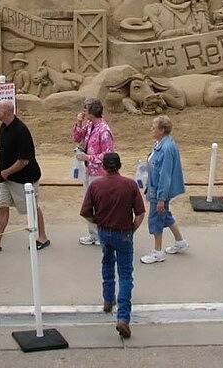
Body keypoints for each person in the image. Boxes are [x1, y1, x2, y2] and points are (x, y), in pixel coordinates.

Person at [80, 152, 145, 340]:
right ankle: (123, 318)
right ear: (120, 166)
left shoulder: (96, 185)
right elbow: (140, 214)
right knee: (125, 274)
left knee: (107, 264)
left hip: (104, 231)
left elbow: (85, 212)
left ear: (103, 167)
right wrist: (132, 230)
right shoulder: (130, 185)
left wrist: (98, 223)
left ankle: (108, 299)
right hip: (123, 233)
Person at [0, 101, 50, 252]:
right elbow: (8, 147)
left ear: (7, 111)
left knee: (32, 207)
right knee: (2, 207)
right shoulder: (4, 126)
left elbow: (24, 160)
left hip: (24, 179)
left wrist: (8, 171)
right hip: (6, 178)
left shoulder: (21, 130)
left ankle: (43, 237)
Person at [140, 115, 187, 264]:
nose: (151, 130)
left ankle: (157, 252)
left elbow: (165, 175)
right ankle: (180, 242)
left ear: (162, 130)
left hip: (158, 191)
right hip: (156, 188)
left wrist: (161, 198)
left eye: (154, 128)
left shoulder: (166, 148)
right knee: (165, 215)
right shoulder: (161, 143)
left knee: (156, 218)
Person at [72, 97, 114, 246]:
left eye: (85, 109)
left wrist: (87, 157)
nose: (83, 111)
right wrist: (79, 123)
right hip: (88, 170)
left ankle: (102, 235)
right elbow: (77, 138)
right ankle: (94, 234)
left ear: (92, 112)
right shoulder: (90, 125)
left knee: (99, 205)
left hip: (100, 174)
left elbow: (108, 155)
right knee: (89, 203)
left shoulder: (104, 131)